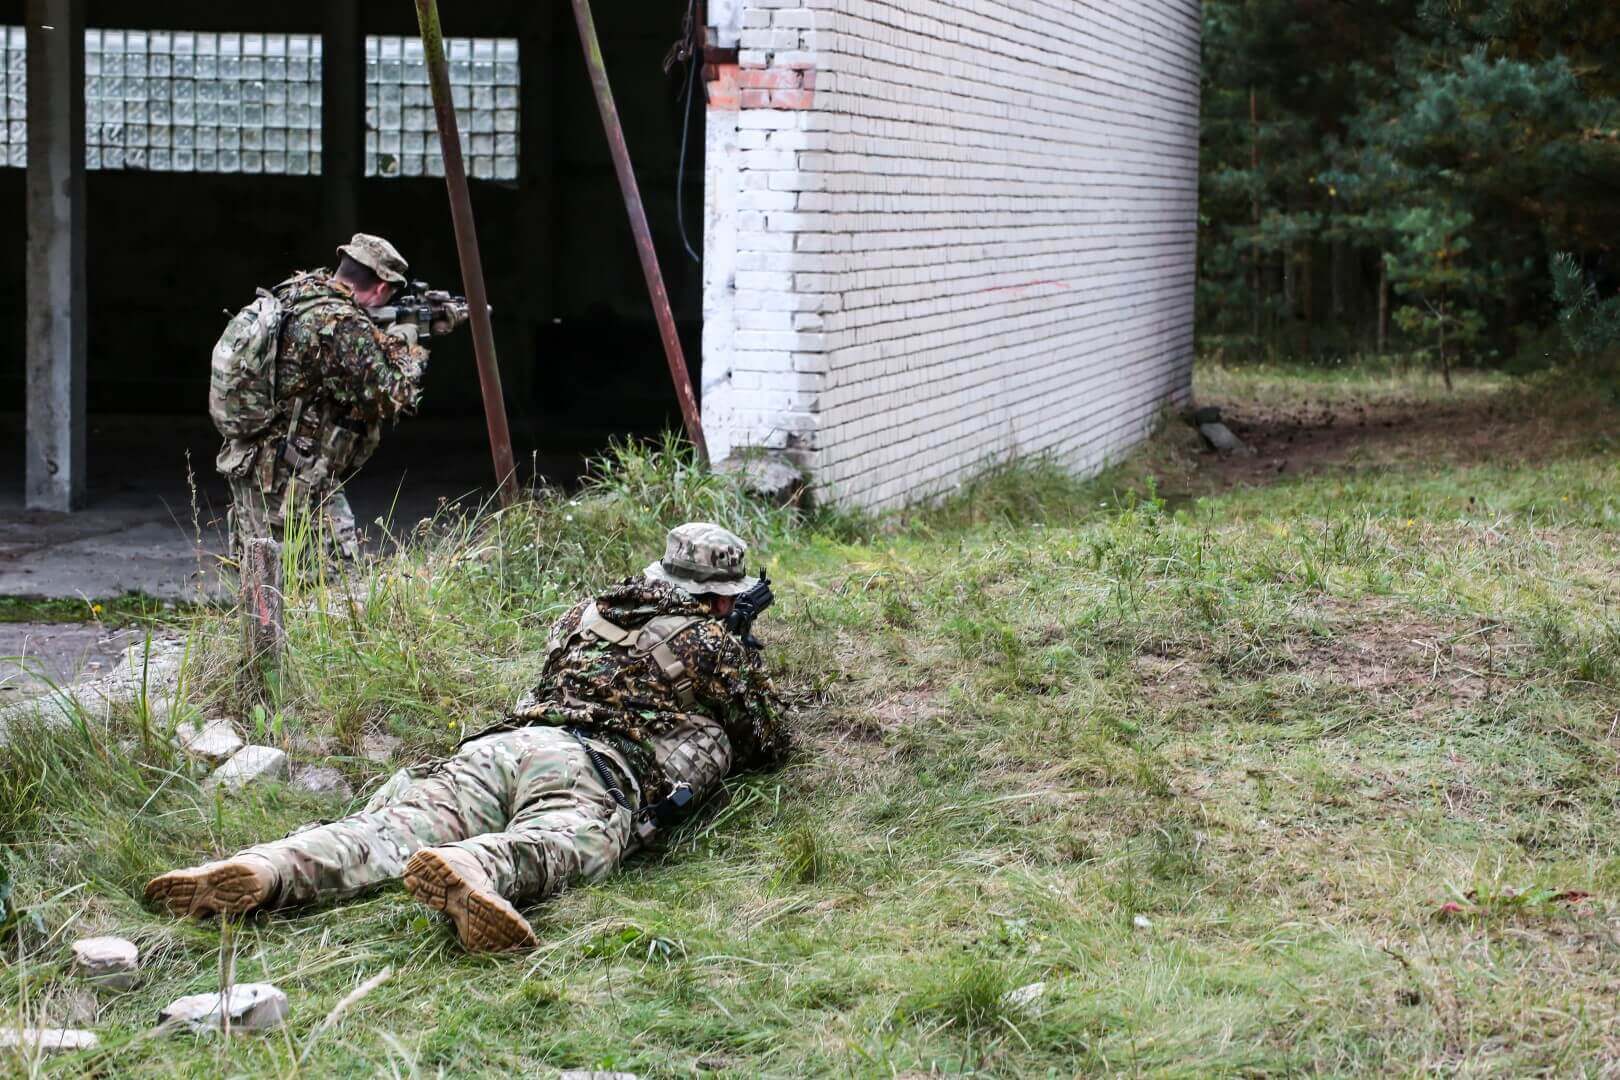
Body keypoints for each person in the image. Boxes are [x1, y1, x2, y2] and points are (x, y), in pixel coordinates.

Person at [146, 523, 788, 952]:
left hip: (499, 746)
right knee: (568, 843)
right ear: (718, 599)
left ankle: (269, 865)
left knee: (389, 829)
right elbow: (767, 738)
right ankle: (478, 865)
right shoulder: (705, 638)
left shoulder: (584, 614)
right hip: (589, 767)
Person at [214, 234, 458, 561]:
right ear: (383, 288)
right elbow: (391, 394)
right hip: (290, 478)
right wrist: (409, 338)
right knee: (328, 583)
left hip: (257, 461)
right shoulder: (344, 324)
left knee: (265, 580)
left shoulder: (298, 293)